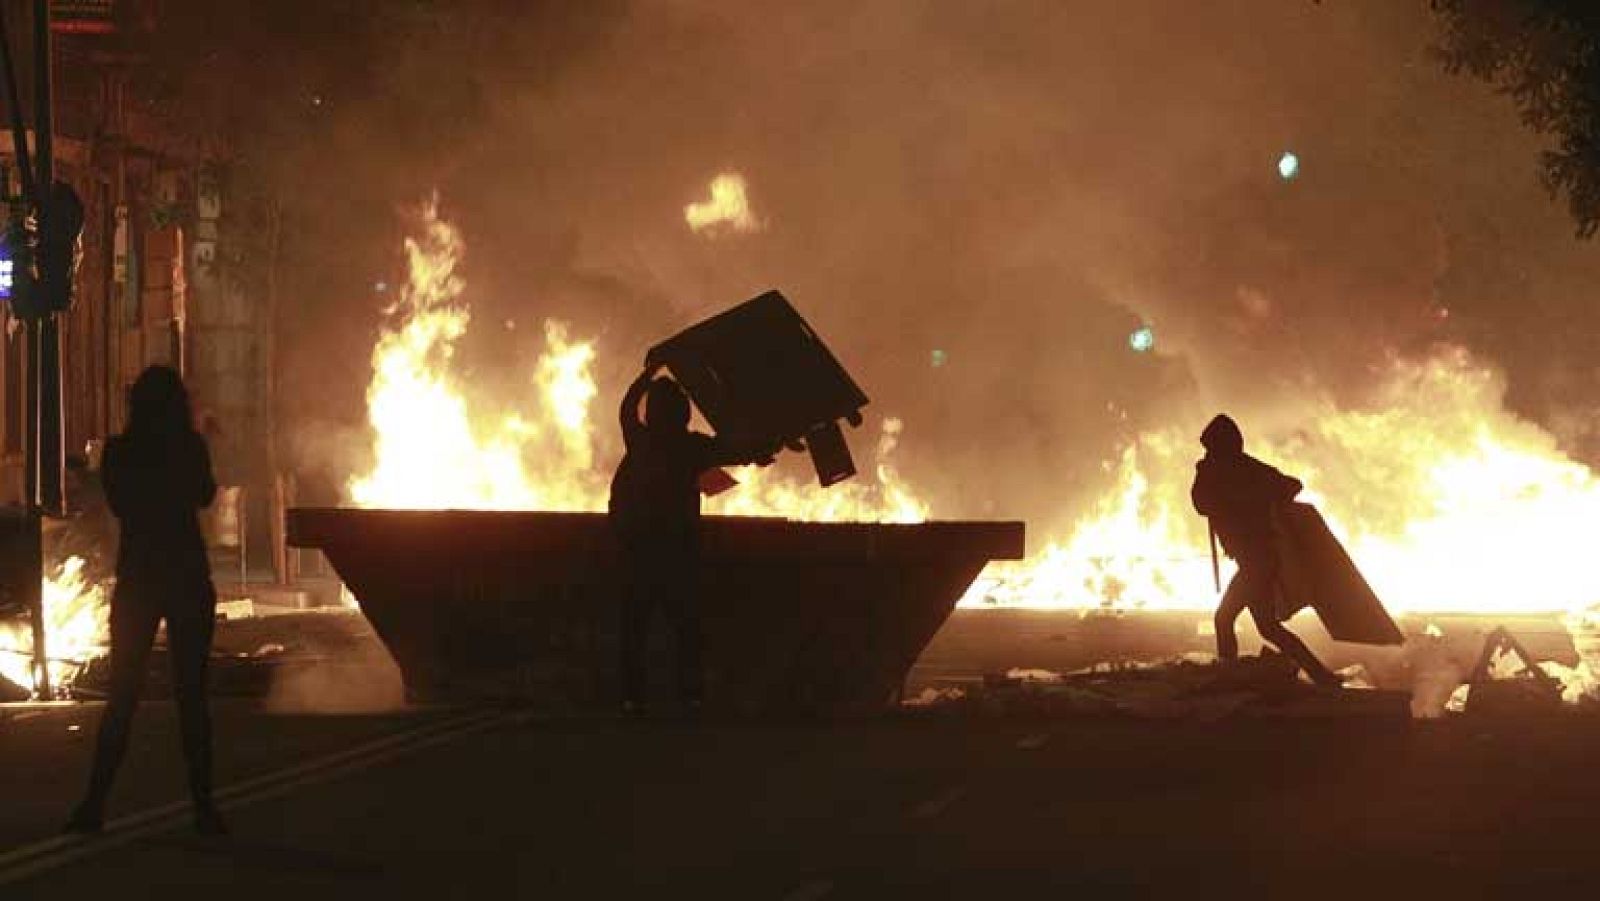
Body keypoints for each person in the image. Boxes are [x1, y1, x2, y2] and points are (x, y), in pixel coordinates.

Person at [66, 366, 226, 836]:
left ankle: (94, 805)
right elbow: (205, 494)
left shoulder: (120, 452)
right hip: (186, 578)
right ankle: (203, 807)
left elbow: (119, 504)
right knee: (192, 698)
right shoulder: (188, 447)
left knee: (122, 695)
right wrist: (200, 443)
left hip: (139, 581)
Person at [609, 366, 772, 716]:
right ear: (682, 413)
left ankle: (632, 699)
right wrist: (763, 445)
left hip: (640, 550)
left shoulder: (641, 441)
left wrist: (647, 375)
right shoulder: (690, 447)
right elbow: (733, 450)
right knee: (686, 628)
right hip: (677, 551)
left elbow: (625, 408)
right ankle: (689, 696)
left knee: (635, 628)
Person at [1190, 414, 1342, 689]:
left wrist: (1251, 498)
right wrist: (1211, 478)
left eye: (1212, 448)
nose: (1208, 454)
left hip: (1257, 561)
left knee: (1229, 620)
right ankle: (1320, 676)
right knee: (1264, 626)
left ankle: (1231, 677)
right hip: (1253, 562)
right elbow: (1202, 503)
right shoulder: (1220, 472)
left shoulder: (1246, 470)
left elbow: (1291, 485)